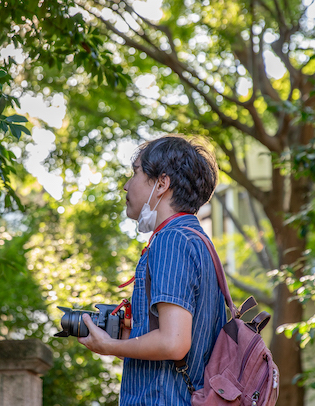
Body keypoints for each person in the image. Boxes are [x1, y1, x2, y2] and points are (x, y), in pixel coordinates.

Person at [78, 135, 226, 405]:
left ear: (161, 183)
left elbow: (174, 343)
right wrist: (126, 336)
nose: (126, 185)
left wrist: (110, 347)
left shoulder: (172, 240)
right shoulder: (195, 239)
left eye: (135, 173)